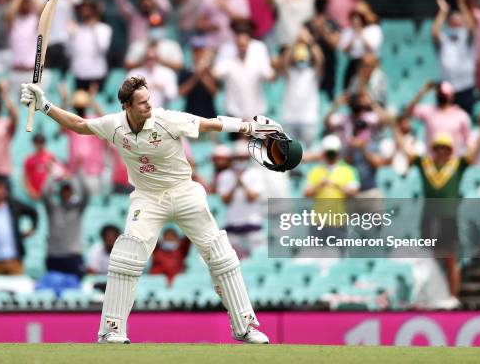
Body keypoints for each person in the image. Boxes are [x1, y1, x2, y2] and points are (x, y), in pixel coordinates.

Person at [20, 76, 283, 343]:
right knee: (126, 255)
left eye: (149, 100)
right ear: (126, 106)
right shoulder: (115, 125)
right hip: (147, 198)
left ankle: (246, 326)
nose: (149, 106)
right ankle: (112, 330)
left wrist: (250, 127)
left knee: (221, 255)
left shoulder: (167, 119)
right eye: (142, 103)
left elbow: (210, 124)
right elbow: (80, 125)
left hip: (183, 192)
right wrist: (45, 106)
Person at [397, 111, 480, 297]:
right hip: (428, 217)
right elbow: (405, 150)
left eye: (445, 148)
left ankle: (452, 299)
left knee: (450, 258)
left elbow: (475, 150)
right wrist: (394, 127)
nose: (442, 151)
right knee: (431, 259)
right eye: (438, 148)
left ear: (451, 149)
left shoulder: (457, 165)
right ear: (433, 149)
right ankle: (436, 297)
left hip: (448, 218)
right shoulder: (425, 164)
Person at [213, 21, 274, 120]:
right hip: (234, 112)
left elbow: (269, 75)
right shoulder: (228, 56)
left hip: (256, 112)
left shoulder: (258, 51)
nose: (242, 46)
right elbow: (215, 73)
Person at [432, 0, 478, 115]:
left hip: (466, 88)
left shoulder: (467, 38)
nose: (456, 24)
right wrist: (443, 11)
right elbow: (434, 32)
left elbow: (472, 27)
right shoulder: (444, 38)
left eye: (459, 22)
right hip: (447, 88)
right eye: (453, 22)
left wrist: (462, 3)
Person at [217, 141, 265, 259]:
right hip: (232, 226)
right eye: (238, 158)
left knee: (257, 261)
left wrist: (242, 183)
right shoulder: (225, 175)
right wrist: (235, 184)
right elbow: (225, 200)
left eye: (243, 158)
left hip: (252, 226)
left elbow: (252, 198)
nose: (240, 161)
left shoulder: (255, 174)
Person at [278, 26, 323, 145]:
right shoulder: (290, 73)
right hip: (290, 118)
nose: (301, 61)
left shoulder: (313, 73)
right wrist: (295, 43)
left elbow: (320, 60)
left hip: (309, 119)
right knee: (289, 156)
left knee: (309, 155)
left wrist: (309, 42)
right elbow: (284, 62)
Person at [404, 80, 472, 155]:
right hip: (430, 162)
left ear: (451, 96)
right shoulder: (428, 111)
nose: (441, 97)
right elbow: (408, 110)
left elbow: (468, 142)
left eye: (444, 95)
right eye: (440, 95)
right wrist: (423, 91)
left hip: (452, 163)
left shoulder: (461, 116)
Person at [42, 172, 89, 276]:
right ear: (60, 193)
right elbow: (45, 193)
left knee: (75, 290)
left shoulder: (77, 209)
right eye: (64, 191)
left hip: (73, 256)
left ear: (72, 193)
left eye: (69, 191)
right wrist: (52, 174)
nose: (66, 193)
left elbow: (86, 193)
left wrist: (76, 173)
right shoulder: (53, 209)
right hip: (54, 256)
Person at [68, 0, 111, 91]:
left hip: (96, 74)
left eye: (87, 9)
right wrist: (71, 36)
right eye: (82, 9)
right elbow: (70, 53)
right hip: (79, 74)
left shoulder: (104, 29)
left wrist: (93, 29)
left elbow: (103, 48)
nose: (84, 12)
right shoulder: (77, 29)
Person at [127, 43, 178, 109]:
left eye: (153, 58)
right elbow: (126, 95)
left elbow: (173, 95)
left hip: (160, 112)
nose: (150, 61)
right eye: (148, 58)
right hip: (138, 111)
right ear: (143, 58)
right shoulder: (133, 73)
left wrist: (162, 87)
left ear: (158, 58)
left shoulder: (168, 73)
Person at [178, 37, 218, 119]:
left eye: (200, 50)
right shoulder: (186, 71)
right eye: (195, 51)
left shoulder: (210, 71)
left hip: (209, 116)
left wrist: (202, 72)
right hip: (190, 117)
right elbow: (182, 92)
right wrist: (198, 75)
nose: (198, 54)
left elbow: (214, 92)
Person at [23, 133, 61, 200]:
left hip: (49, 194)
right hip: (34, 194)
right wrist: (31, 192)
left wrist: (52, 169)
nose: (39, 145)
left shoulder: (51, 157)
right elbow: (25, 177)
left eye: (41, 142)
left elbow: (59, 174)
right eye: (37, 142)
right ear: (34, 143)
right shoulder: (29, 159)